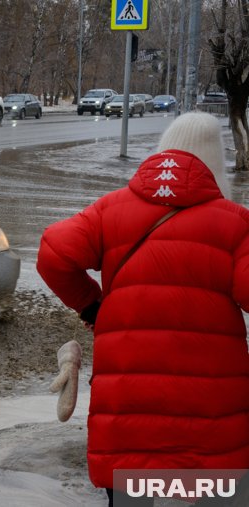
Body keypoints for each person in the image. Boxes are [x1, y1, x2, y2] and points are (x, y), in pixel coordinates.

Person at [36, 112, 249, 506]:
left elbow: (53, 254)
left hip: (127, 408)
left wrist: (92, 305)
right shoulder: (237, 224)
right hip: (210, 413)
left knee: (133, 489)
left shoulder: (109, 210)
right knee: (215, 491)